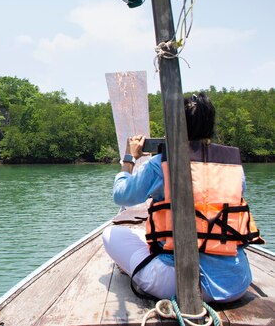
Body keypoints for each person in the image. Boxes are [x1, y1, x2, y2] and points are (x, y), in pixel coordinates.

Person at [102, 92, 264, 302]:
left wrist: (129, 159)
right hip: (235, 283)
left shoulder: (160, 163)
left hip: (179, 284)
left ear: (173, 125)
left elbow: (121, 196)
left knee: (111, 234)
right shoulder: (233, 167)